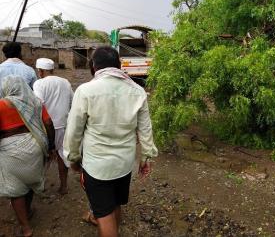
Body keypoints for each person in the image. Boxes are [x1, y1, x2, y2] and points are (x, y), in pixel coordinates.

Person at [64, 46, 158, 237]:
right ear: (120, 65)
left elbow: (74, 131)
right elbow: (145, 129)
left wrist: (73, 158)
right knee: (115, 203)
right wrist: (145, 158)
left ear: (93, 66)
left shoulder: (85, 91)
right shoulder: (137, 91)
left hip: (97, 166)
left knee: (104, 214)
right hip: (124, 164)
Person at [0, 75, 55, 237]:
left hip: (11, 152)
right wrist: (51, 146)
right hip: (35, 146)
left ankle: (26, 228)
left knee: (15, 189)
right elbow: (49, 124)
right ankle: (28, 210)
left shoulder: (2, 105)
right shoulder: (36, 102)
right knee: (29, 181)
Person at [33, 58, 73, 195]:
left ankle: (39, 187)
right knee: (62, 155)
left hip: (46, 126)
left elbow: (38, 104)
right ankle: (64, 186)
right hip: (63, 125)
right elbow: (71, 102)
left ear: (40, 71)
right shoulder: (65, 82)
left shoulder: (39, 84)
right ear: (52, 70)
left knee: (43, 157)